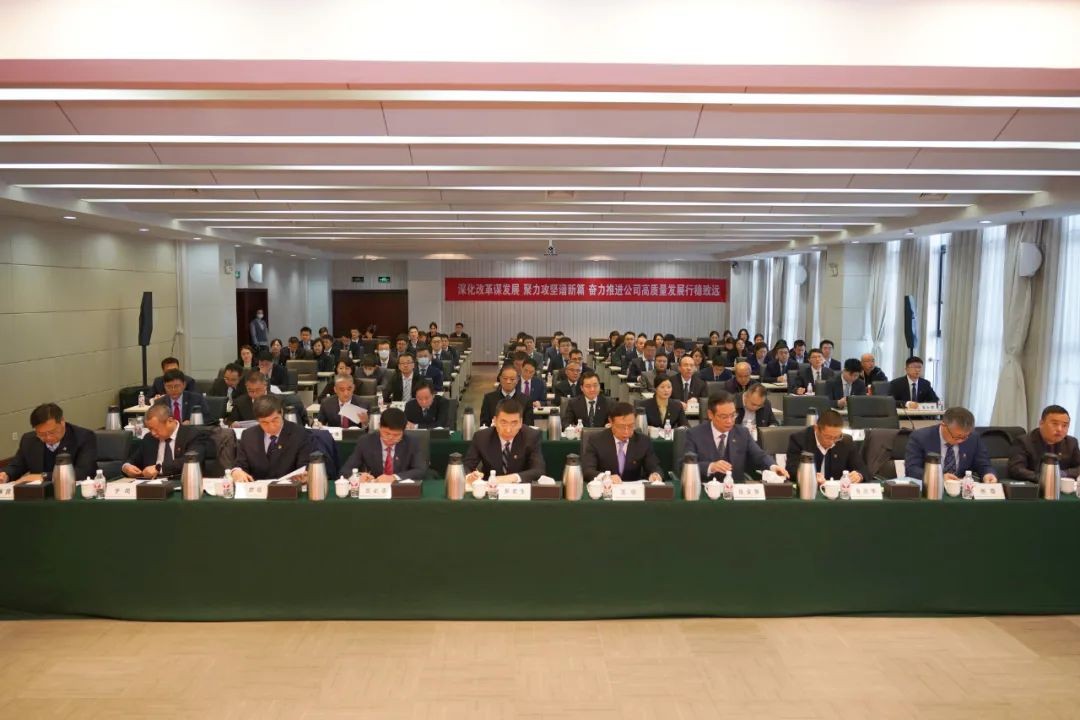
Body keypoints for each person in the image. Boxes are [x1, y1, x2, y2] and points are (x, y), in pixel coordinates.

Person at [684, 391, 789, 482]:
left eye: (733, 415)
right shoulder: (694, 434)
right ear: (710, 414)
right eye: (724, 417)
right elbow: (683, 466)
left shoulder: (742, 433)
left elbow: (759, 455)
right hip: (704, 489)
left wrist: (773, 466)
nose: (730, 421)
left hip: (735, 489)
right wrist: (710, 467)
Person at [0, 403, 97, 483]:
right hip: (39, 494)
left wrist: (43, 476)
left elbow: (84, 472)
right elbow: (17, 466)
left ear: (62, 422)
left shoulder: (84, 437)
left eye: (52, 432)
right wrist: (6, 474)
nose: (48, 437)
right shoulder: (29, 440)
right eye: (41, 434)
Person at [905, 406, 997, 483]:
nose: (960, 441)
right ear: (943, 425)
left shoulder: (973, 438)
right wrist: (939, 478)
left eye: (965, 437)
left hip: (960, 490)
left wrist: (988, 474)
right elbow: (912, 469)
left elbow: (983, 464)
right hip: (930, 489)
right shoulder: (920, 437)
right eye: (957, 437)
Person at [233, 395, 312, 483]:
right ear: (258, 420)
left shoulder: (299, 434)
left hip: (289, 487)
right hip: (257, 488)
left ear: (281, 413)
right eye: (264, 422)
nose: (271, 426)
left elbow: (304, 467)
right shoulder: (248, 435)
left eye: (275, 420)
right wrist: (236, 471)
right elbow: (240, 465)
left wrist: (305, 475)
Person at [464, 399, 545, 484]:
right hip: (490, 488)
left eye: (514, 423)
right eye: (503, 423)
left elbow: (539, 470)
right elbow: (466, 466)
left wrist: (512, 478)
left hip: (520, 489)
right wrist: (470, 476)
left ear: (521, 422)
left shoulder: (531, 436)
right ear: (495, 421)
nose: (508, 429)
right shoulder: (481, 437)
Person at [122, 403, 210, 479]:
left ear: (170, 421)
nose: (153, 433)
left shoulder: (192, 435)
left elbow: (191, 460)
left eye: (156, 429)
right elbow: (133, 460)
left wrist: (158, 468)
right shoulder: (149, 438)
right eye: (150, 429)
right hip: (152, 486)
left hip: (183, 483)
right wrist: (126, 467)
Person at [582, 402, 664, 483]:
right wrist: (605, 477)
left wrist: (655, 475)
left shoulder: (643, 441)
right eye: (621, 426)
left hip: (633, 489)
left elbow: (654, 467)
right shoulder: (596, 440)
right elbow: (587, 470)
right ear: (610, 421)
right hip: (606, 488)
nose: (626, 432)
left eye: (631, 426)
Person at [339, 407, 426, 481]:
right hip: (375, 488)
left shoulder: (412, 442)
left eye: (396, 435)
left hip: (401, 489)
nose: (391, 438)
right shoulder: (365, 441)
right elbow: (345, 470)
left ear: (403, 431)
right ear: (379, 426)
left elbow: (420, 470)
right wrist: (358, 477)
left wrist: (394, 477)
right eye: (387, 433)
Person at [785, 409, 867, 482]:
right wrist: (810, 477)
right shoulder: (799, 439)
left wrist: (859, 475)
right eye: (828, 437)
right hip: (808, 489)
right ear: (816, 428)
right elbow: (791, 469)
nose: (832, 442)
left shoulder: (846, 441)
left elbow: (862, 468)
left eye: (836, 437)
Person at [1008, 405, 1080, 482]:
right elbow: (1016, 469)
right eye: (1055, 424)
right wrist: (1045, 478)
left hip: (1062, 486)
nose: (1059, 429)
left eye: (1064, 425)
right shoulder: (1024, 442)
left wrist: (1063, 474)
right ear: (1041, 423)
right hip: (1035, 486)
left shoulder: (1071, 443)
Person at [228, 371, 308, 426]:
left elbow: (288, 424)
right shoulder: (240, 402)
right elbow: (230, 421)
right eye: (250, 391)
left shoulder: (279, 401)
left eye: (258, 390)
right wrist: (232, 424)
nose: (254, 394)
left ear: (265, 386)